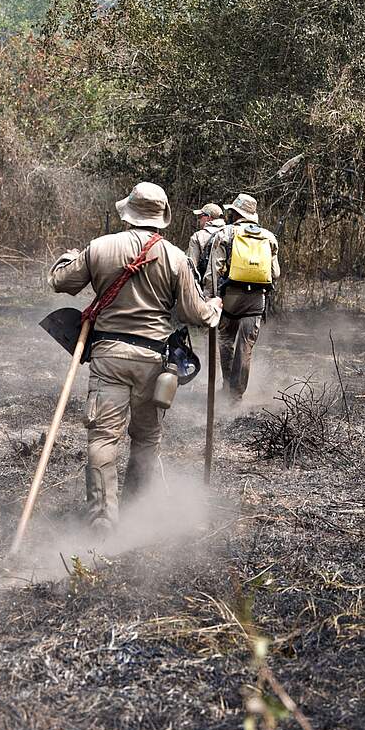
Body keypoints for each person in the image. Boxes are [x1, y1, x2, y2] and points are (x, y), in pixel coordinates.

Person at [49, 182, 222, 536]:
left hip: (108, 356)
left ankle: (101, 517)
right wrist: (214, 308)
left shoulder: (100, 247)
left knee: (102, 438)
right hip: (154, 362)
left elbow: (61, 282)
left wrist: (67, 258)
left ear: (128, 211)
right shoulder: (175, 256)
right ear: (162, 216)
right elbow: (194, 313)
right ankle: (136, 513)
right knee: (146, 437)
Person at [205, 193, 280, 401]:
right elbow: (275, 274)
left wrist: (209, 299)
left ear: (234, 213)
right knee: (246, 346)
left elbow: (213, 272)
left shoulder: (225, 234)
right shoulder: (269, 237)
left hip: (230, 297)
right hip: (256, 300)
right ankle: (236, 395)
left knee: (227, 339)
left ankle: (226, 385)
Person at [185, 202, 224, 282]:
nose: (199, 219)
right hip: (227, 287)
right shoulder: (231, 232)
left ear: (209, 217)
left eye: (201, 216)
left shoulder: (198, 236)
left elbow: (191, 268)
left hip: (205, 286)